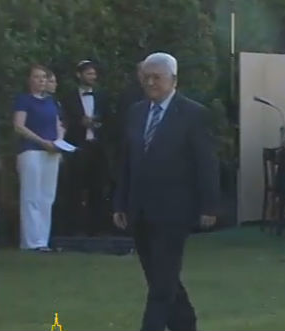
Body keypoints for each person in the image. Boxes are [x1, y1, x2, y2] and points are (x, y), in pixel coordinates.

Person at [112, 52, 220, 331]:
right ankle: (186, 324)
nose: (150, 83)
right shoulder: (136, 112)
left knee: (162, 282)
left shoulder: (194, 114)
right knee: (160, 277)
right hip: (139, 209)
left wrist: (209, 206)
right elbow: (126, 162)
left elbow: (206, 163)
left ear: (173, 79)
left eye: (156, 77)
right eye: (146, 77)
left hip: (174, 211)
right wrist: (120, 203)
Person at [13, 64, 65, 252]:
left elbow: (59, 124)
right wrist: (42, 142)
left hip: (51, 152)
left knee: (47, 197)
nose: (41, 80)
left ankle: (43, 241)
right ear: (29, 80)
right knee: (31, 196)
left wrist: (58, 142)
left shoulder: (52, 102)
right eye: (37, 77)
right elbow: (19, 126)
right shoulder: (23, 100)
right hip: (31, 151)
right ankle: (30, 242)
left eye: (44, 77)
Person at [61, 60, 113, 236]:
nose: (93, 77)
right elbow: (64, 120)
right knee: (74, 187)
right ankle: (74, 228)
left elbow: (110, 120)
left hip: (96, 147)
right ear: (79, 75)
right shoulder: (69, 97)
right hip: (77, 147)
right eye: (89, 73)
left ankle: (97, 228)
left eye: (94, 74)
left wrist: (97, 124)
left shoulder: (102, 96)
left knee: (97, 187)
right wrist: (80, 123)